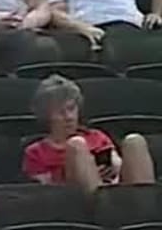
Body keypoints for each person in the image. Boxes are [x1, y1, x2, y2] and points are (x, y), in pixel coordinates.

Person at [23, 75, 157, 200]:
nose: (68, 117)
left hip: (117, 192)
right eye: (60, 112)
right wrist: (82, 171)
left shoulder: (97, 136)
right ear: (47, 115)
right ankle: (102, 206)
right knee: (76, 144)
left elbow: (117, 164)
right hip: (77, 202)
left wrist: (111, 169)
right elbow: (46, 191)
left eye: (71, 109)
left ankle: (146, 210)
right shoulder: (36, 152)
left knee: (134, 141)